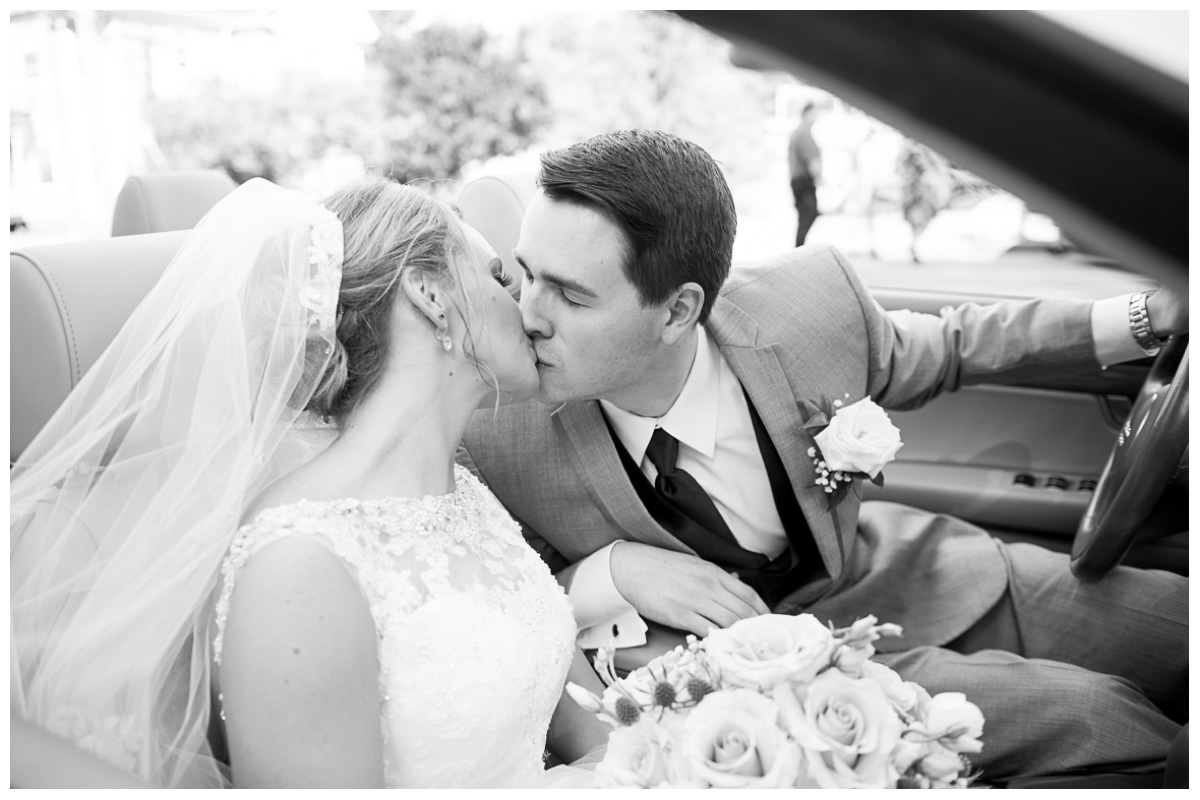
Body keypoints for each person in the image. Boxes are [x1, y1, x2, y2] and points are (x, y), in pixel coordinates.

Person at [458, 130, 1188, 782]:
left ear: (679, 311)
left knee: (1179, 627)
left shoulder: (807, 309)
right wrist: (609, 572)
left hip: (923, 577)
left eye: (570, 296)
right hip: (797, 694)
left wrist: (1145, 318)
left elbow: (954, 346)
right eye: (525, 275)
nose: (528, 316)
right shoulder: (496, 430)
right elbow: (497, 600)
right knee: (1101, 718)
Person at [10, 176, 606, 788]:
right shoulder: (299, 561)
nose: (528, 310)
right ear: (429, 293)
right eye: (499, 278)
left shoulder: (465, 497)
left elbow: (587, 730)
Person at [787, 101, 823, 246]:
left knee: (806, 216)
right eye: (815, 113)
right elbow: (811, 160)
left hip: (798, 181)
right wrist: (819, 178)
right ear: (807, 113)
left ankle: (799, 248)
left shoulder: (799, 132)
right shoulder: (803, 134)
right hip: (803, 181)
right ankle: (798, 249)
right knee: (808, 215)